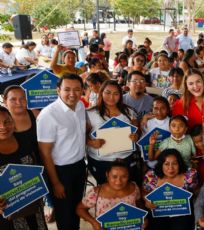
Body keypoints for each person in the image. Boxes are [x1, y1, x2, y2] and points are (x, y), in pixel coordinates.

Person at [37, 73, 87, 230]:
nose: (72, 94)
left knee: (77, 208)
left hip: (79, 166)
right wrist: (56, 182)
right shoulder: (48, 115)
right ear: (58, 90)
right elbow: (45, 153)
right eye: (67, 89)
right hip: (60, 172)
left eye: (77, 89)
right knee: (64, 214)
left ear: (82, 90)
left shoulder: (80, 106)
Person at [0, 107, 48, 230]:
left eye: (7, 121)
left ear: (12, 121)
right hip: (7, 214)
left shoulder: (24, 140)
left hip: (33, 204)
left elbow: (37, 166)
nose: (3, 127)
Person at [86, 80, 139, 184]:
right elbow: (81, 135)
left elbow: (137, 131)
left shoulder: (129, 112)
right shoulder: (90, 113)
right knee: (105, 193)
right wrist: (90, 142)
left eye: (116, 94)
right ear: (101, 93)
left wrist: (135, 136)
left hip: (125, 159)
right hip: (101, 161)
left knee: (125, 190)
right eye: (108, 93)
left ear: (120, 95)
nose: (111, 97)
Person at [76, 160, 144, 230]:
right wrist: (94, 222)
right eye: (114, 176)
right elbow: (80, 209)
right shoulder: (96, 192)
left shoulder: (133, 188)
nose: (118, 181)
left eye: (124, 176)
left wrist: (143, 218)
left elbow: (138, 202)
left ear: (128, 176)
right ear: (107, 175)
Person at [143, 149, 197, 230]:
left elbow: (197, 191)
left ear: (179, 164)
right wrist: (146, 200)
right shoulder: (151, 176)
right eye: (166, 164)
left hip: (182, 214)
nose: (170, 168)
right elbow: (144, 191)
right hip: (158, 212)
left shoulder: (189, 175)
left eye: (174, 163)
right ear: (161, 164)